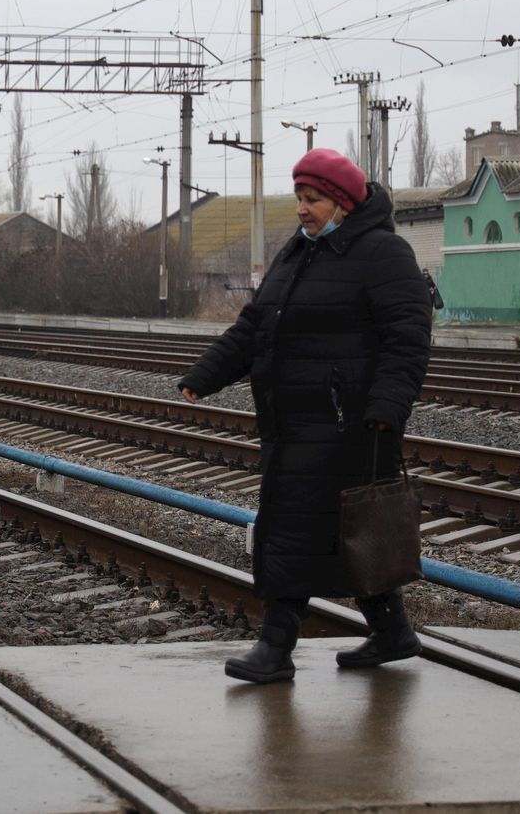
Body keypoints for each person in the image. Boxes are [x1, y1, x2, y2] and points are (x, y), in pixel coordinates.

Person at [177, 148, 433, 685]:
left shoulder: (384, 254)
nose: (302, 208)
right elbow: (255, 325)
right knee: (345, 531)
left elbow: (407, 341)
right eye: (298, 197)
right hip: (294, 421)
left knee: (297, 528)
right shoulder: (299, 253)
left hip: (351, 425)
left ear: (342, 203)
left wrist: (387, 411)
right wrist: (205, 374)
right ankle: (392, 632)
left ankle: (275, 646)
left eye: (312, 198)